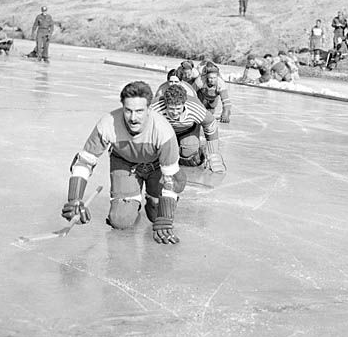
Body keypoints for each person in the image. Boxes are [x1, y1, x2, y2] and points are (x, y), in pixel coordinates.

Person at [62, 81, 187, 244]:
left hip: (156, 167)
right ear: (122, 107)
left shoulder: (163, 131)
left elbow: (171, 178)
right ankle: (131, 205)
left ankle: (152, 199)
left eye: (140, 111)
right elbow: (84, 161)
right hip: (124, 163)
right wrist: (75, 199)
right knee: (120, 221)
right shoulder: (107, 123)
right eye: (128, 111)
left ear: (149, 109)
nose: (133, 118)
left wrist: (165, 217)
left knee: (157, 215)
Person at [150, 84, 225, 172]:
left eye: (178, 108)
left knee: (189, 155)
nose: (175, 113)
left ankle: (198, 151)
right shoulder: (154, 108)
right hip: (164, 132)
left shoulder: (195, 108)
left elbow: (210, 124)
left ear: (184, 104)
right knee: (156, 157)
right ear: (165, 104)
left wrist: (213, 154)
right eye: (171, 108)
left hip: (187, 130)